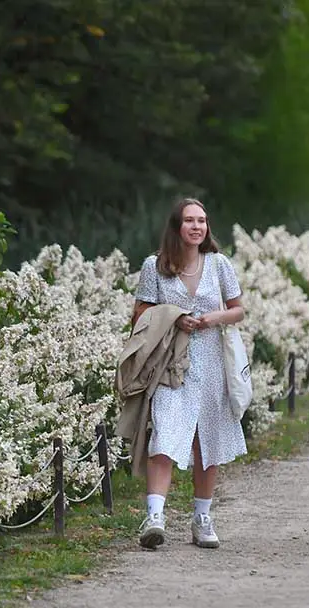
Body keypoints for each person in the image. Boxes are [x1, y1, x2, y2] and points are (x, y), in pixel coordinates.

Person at [128, 197, 248, 550]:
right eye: (190, 220)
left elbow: (238, 311)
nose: (197, 226)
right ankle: (155, 516)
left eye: (202, 221)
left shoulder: (218, 264)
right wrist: (175, 316)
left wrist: (211, 318)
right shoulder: (156, 266)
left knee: (207, 441)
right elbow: (139, 313)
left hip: (213, 361)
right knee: (163, 435)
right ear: (176, 226)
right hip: (170, 362)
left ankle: (202, 517)